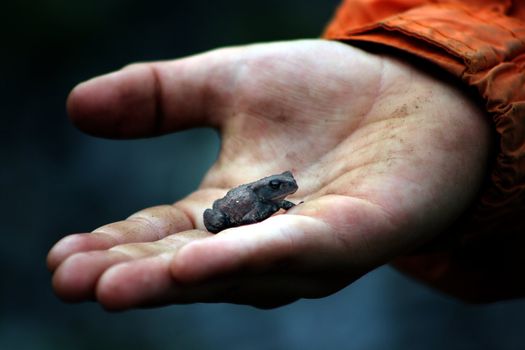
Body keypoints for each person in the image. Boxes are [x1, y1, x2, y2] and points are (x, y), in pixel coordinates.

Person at [47, 0, 525, 310]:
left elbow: (274, 202)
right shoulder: (264, 197)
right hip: (226, 212)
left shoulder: (274, 196)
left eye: (283, 184)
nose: (283, 189)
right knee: (215, 219)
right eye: (280, 185)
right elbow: (249, 207)